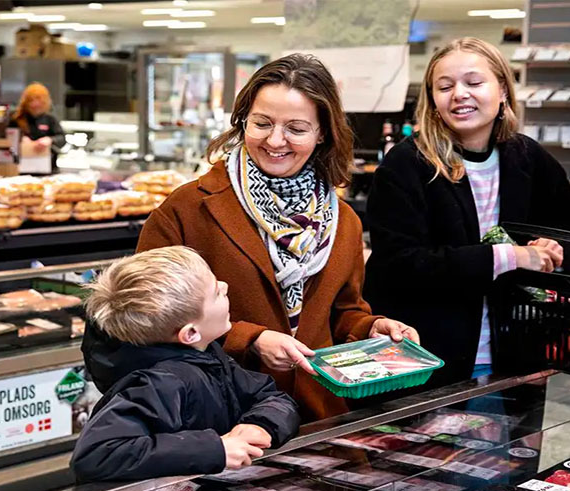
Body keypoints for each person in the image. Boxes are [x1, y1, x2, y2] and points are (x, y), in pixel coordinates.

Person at [137, 54, 418, 421]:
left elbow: (342, 313)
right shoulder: (189, 208)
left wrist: (370, 328)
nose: (275, 140)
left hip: (316, 416)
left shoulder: (342, 221)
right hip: (220, 421)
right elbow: (146, 316)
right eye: (262, 123)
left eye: (296, 129)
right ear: (242, 122)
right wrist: (250, 341)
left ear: (322, 134)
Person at [364, 37, 570, 386]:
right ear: (432, 100)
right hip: (425, 361)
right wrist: (511, 256)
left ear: (502, 89)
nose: (459, 94)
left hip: (517, 358)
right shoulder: (407, 164)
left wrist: (555, 250)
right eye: (445, 86)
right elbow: (400, 265)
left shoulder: (527, 158)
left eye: (474, 83)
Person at [70, 246, 301, 482]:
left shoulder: (207, 355)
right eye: (215, 293)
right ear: (190, 333)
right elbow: (98, 454)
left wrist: (260, 425)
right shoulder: (158, 382)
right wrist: (214, 450)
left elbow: (271, 397)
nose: (225, 286)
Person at [12, 82, 65, 174]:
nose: (35, 104)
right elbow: (6, 139)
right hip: (20, 170)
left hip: (47, 170)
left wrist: (50, 140)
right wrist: (20, 140)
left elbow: (62, 139)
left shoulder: (50, 119)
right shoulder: (16, 119)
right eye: (31, 100)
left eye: (38, 100)